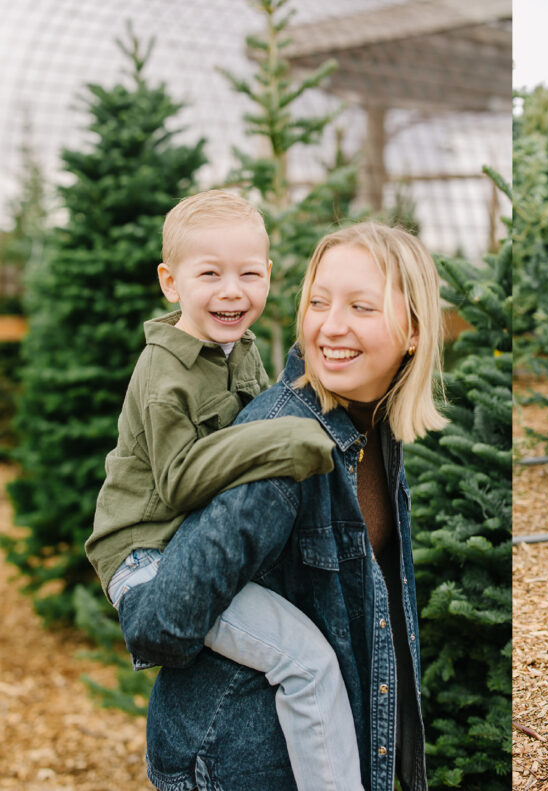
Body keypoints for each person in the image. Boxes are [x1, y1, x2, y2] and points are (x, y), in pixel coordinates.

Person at [115, 221, 448, 791]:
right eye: (319, 302)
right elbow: (156, 624)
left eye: (361, 307)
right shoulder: (282, 445)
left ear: (413, 331)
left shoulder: (374, 430)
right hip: (238, 763)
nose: (330, 325)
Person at [85, 190, 365, 791]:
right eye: (209, 273)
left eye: (249, 273)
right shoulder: (166, 374)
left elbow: (249, 429)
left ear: (270, 276)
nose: (232, 290)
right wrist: (286, 440)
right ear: (170, 282)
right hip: (149, 558)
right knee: (307, 662)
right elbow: (182, 480)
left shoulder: (241, 350)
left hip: (187, 542)